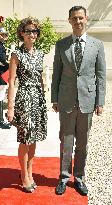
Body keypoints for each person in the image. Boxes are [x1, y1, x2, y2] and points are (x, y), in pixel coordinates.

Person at [51, 6, 106, 196]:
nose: (78, 21)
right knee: (66, 142)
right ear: (69, 21)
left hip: (87, 101)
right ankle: (64, 177)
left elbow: (100, 76)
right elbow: (56, 74)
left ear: (86, 19)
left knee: (82, 143)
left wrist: (100, 102)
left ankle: (80, 178)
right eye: (74, 18)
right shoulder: (61, 45)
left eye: (81, 18)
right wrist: (54, 98)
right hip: (66, 101)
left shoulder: (97, 45)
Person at [7, 17, 47, 193]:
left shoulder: (40, 54)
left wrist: (44, 97)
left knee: (34, 138)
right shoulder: (16, 54)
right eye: (29, 31)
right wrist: (10, 107)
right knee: (25, 139)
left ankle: (30, 172)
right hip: (24, 100)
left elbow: (40, 78)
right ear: (22, 33)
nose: (32, 34)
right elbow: (11, 81)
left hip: (38, 100)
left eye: (35, 31)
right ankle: (24, 176)